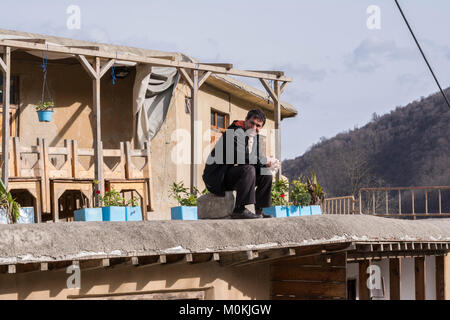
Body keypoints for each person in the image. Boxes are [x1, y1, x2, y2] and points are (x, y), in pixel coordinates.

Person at [203, 109, 279, 219]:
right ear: (246, 120)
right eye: (252, 123)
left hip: (232, 175)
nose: (254, 127)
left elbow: (256, 159)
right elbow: (242, 157)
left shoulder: (254, 137)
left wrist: (271, 163)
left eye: (258, 125)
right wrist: (263, 161)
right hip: (217, 177)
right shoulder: (234, 131)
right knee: (248, 169)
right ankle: (239, 210)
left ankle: (259, 211)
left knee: (266, 173)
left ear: (261, 128)